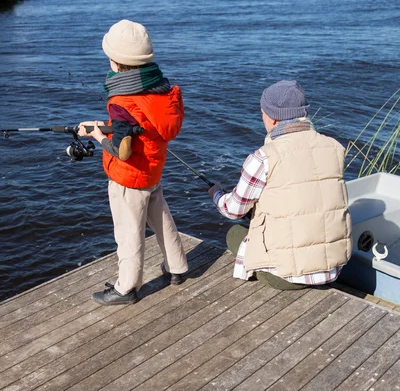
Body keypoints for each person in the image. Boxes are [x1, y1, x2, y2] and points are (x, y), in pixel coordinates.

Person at [79, 19, 188, 305]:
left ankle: (126, 288)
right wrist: (104, 125)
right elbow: (141, 125)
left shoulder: (121, 100)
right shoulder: (160, 90)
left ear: (115, 61)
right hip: (153, 171)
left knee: (128, 234)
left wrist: (96, 136)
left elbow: (124, 149)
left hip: (129, 178)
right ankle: (177, 268)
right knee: (162, 220)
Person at [208, 80, 352, 290]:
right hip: (333, 270)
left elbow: (233, 210)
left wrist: (217, 194)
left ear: (273, 119)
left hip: (285, 277)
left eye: (263, 113)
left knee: (234, 234)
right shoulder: (335, 148)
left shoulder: (263, 157)